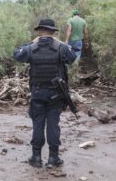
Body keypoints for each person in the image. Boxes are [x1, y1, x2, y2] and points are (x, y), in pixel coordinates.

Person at [14, 19, 76, 168]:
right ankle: (53, 158)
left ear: (39, 31)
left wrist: (31, 42)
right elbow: (72, 57)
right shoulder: (61, 47)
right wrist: (61, 42)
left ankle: (36, 158)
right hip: (56, 94)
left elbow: (17, 55)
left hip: (37, 93)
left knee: (38, 124)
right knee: (53, 126)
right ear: (53, 32)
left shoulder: (31, 47)